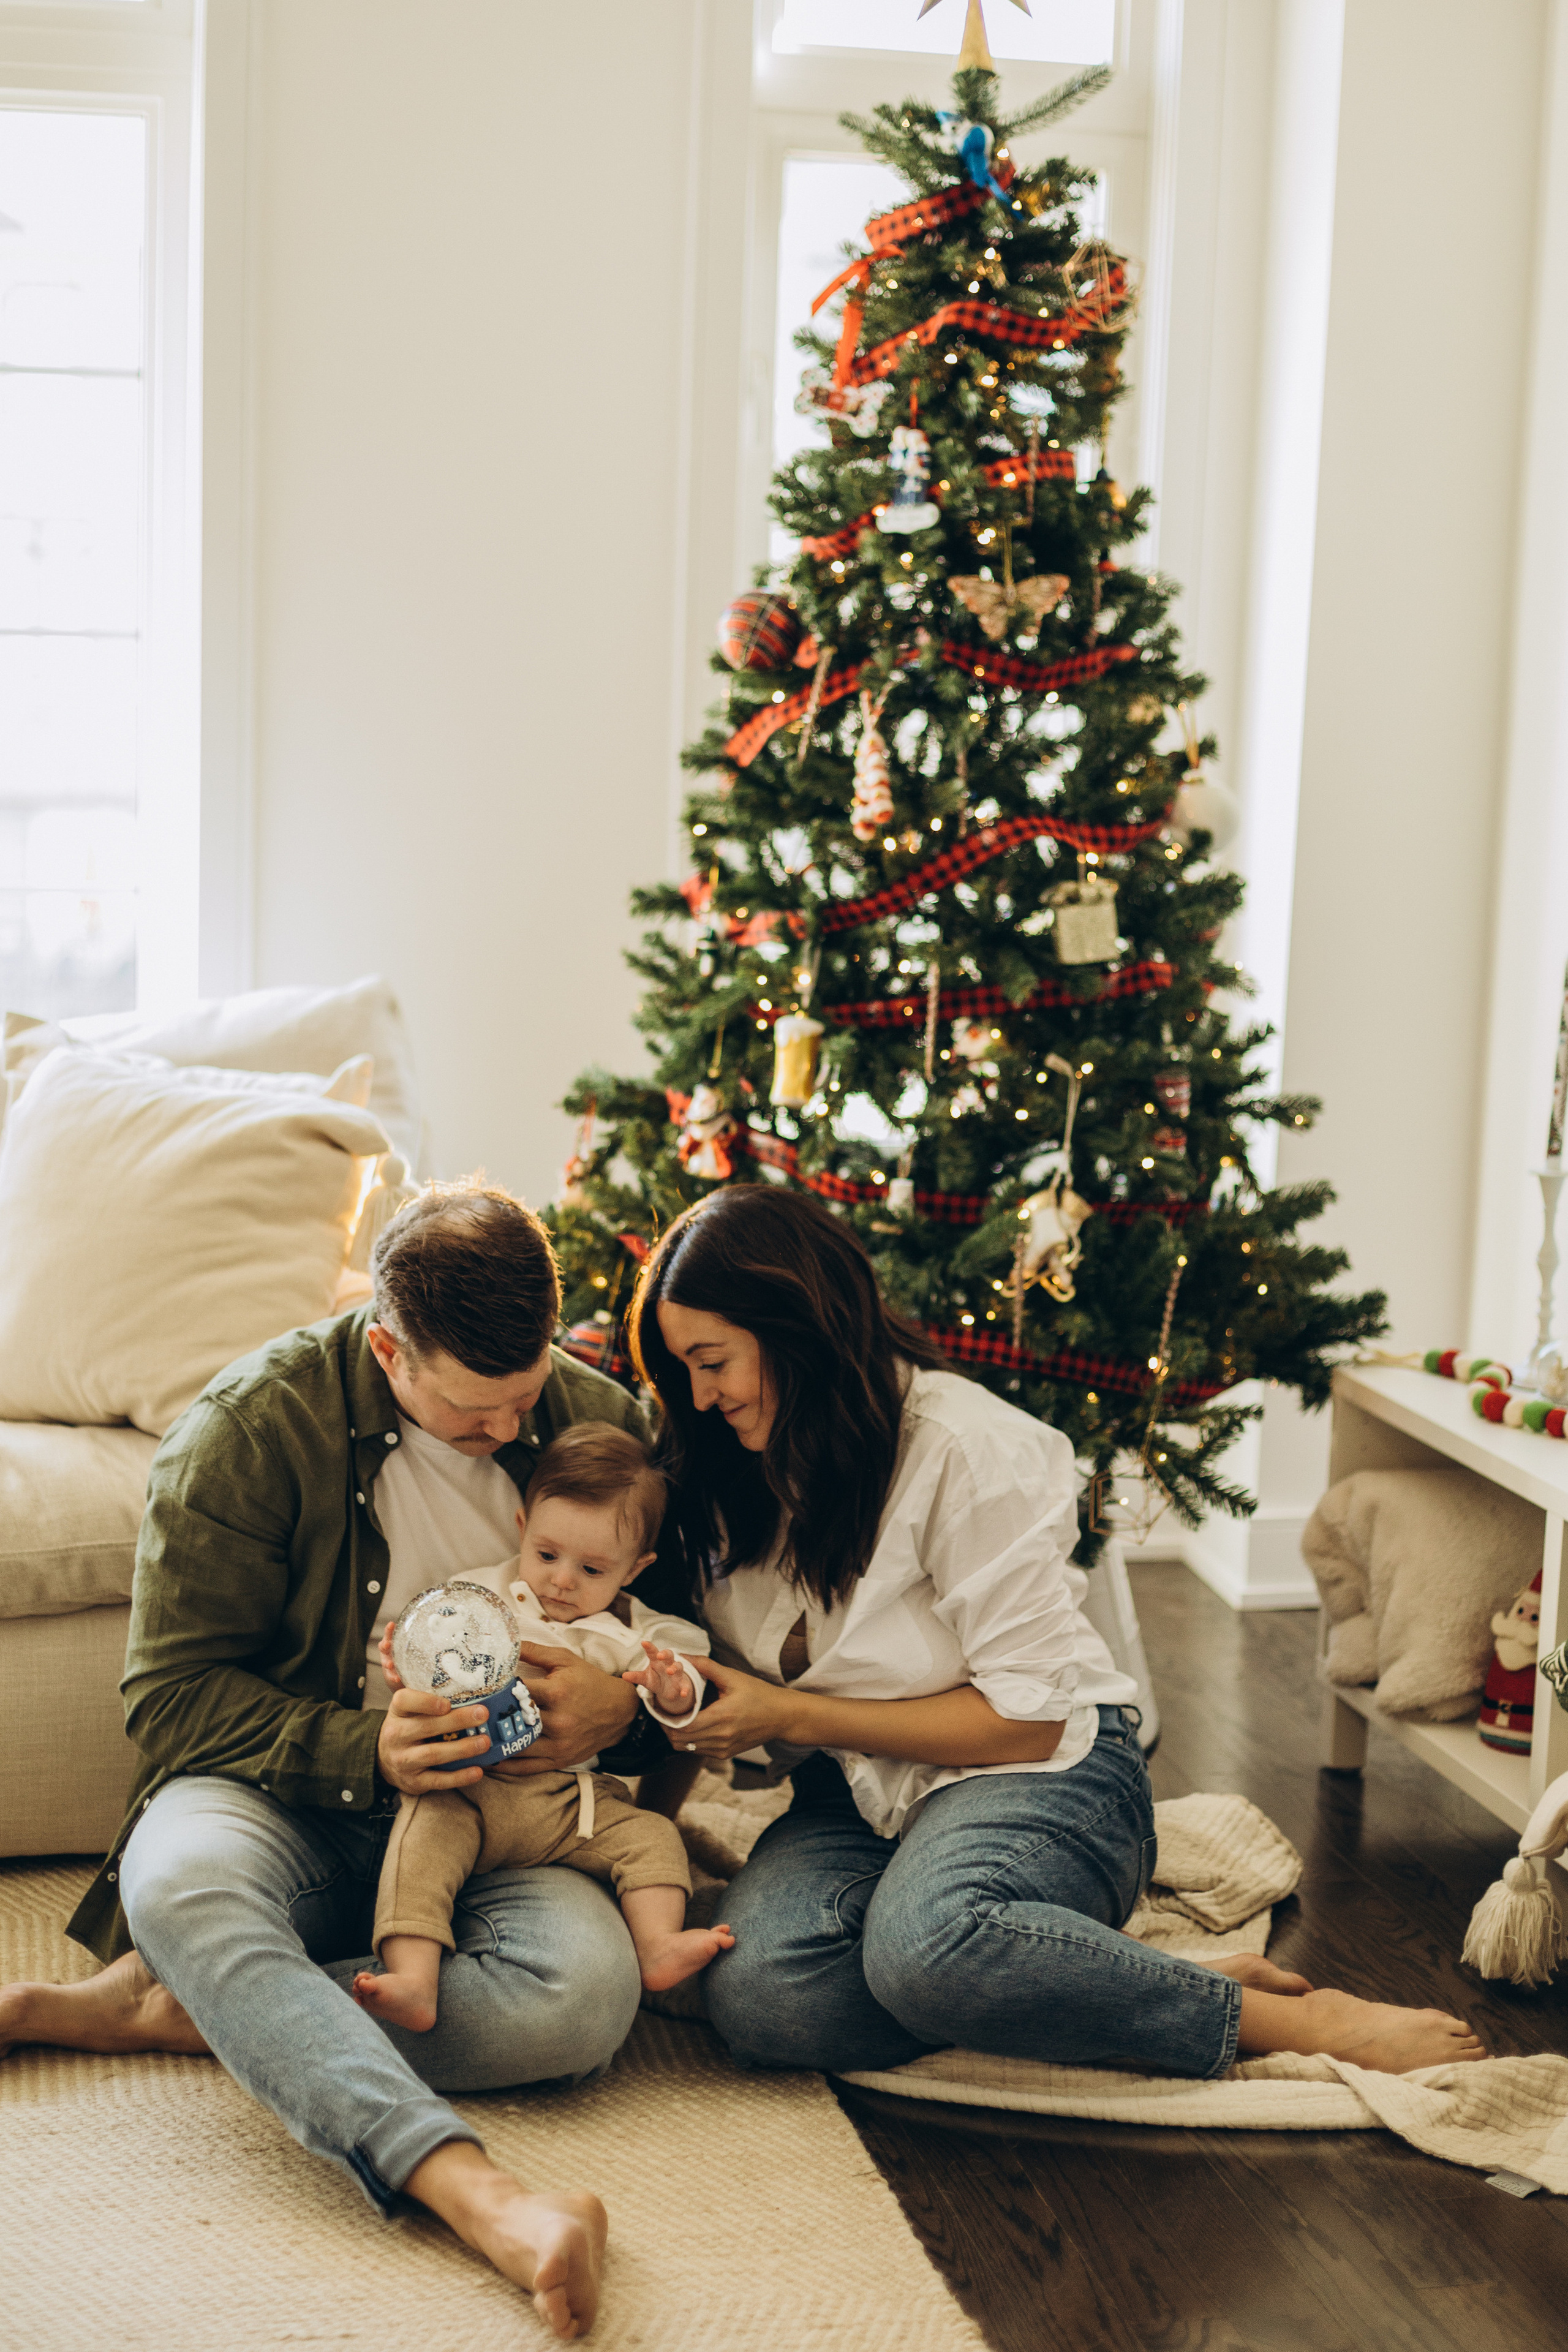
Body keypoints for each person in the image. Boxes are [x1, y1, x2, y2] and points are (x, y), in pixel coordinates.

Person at [0, 1181, 680, 2342]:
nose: (513, 1433)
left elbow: (677, 1660)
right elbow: (170, 1698)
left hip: (505, 1822)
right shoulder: (250, 1430)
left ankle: (206, 2004)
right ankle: (486, 2200)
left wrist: (617, 1711)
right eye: (478, 1414)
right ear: (388, 1348)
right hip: (291, 1798)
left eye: (525, 1400)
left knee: (582, 2002)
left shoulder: (593, 1421)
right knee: (180, 1884)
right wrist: (365, 1746)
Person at [627, 1185, 1489, 2082]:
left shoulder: (963, 1449)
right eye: (682, 1367)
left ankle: (1282, 2022)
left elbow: (1029, 1721)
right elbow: (693, 1672)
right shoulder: (723, 1468)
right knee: (765, 2000)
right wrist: (644, 1839)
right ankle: (1081, 1980)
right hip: (859, 1791)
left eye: (713, 1360)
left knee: (925, 1949)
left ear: (799, 1326)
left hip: (1046, 1770)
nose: (698, 1393)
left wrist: (790, 1716)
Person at [354, 1422, 731, 2034]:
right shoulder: (477, 1598)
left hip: (575, 1806)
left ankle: (658, 1943)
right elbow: (435, 1666)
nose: (561, 1581)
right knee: (419, 1839)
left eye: (592, 1569)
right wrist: (410, 1670)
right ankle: (413, 1978)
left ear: (635, 1568)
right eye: (548, 1555)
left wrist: (672, 1689)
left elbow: (689, 1691)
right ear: (522, 1527)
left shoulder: (640, 1633)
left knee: (656, 1837)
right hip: (473, 1789)